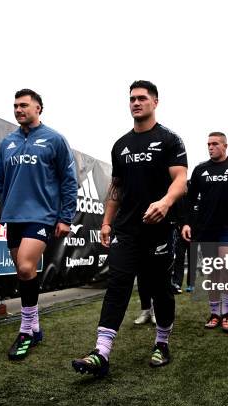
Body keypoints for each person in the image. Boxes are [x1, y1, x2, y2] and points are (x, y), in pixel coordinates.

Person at [72, 80, 187, 377]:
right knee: (117, 286)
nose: (136, 103)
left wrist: (165, 202)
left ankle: (162, 343)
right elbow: (117, 187)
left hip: (159, 230)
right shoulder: (120, 145)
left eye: (142, 98)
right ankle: (102, 353)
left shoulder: (170, 140)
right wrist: (107, 221)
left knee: (160, 290)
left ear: (155, 102)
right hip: (126, 230)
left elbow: (180, 180)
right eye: (132, 99)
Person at [0, 89, 77, 361]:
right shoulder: (7, 143)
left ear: (38, 108)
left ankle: (25, 330)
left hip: (41, 216)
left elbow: (69, 181)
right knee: (24, 273)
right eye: (15, 106)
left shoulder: (55, 140)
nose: (19, 109)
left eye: (24, 105)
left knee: (24, 265)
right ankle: (35, 327)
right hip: (12, 217)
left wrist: (66, 217)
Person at [181, 132, 228, 334]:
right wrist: (187, 223)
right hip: (206, 228)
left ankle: (227, 313)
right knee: (213, 272)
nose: (210, 147)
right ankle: (215, 313)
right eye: (208, 144)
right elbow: (190, 200)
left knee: (226, 265)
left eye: (215, 143)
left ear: (225, 145)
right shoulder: (200, 170)